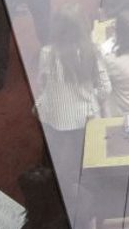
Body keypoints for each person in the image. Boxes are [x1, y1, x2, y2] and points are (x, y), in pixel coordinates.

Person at [35, 9, 111, 184]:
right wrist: (92, 97)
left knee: (56, 152)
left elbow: (42, 84)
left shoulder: (46, 53)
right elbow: (105, 88)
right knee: (84, 153)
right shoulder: (91, 51)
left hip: (55, 116)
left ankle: (52, 176)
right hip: (85, 117)